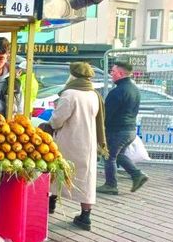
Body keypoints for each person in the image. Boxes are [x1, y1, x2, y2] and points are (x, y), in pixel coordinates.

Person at [47, 62, 107, 231]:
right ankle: (85, 215)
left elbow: (58, 120)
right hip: (87, 143)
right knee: (86, 178)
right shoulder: (94, 94)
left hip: (68, 141)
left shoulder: (69, 94)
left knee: (58, 171)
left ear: (73, 75)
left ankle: (50, 203)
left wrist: (50, 123)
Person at [97, 60, 148, 195]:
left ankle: (111, 185)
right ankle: (137, 175)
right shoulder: (134, 89)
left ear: (120, 73)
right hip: (130, 129)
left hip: (118, 130)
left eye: (113, 71)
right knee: (118, 155)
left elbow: (107, 114)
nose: (111, 74)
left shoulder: (118, 91)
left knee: (109, 157)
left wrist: (100, 129)